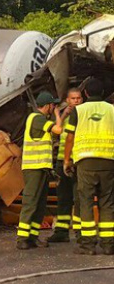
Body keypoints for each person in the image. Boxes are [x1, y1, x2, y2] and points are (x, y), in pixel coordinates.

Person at [64, 78, 114, 255]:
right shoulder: (112, 110)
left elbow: (69, 137)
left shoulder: (78, 110)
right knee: (107, 202)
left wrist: (66, 160)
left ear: (85, 94)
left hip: (85, 162)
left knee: (85, 201)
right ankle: (109, 244)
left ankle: (88, 245)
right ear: (102, 93)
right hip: (108, 161)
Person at [17, 91, 64, 250]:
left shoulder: (40, 119)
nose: (54, 108)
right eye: (53, 105)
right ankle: (22, 238)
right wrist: (58, 114)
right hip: (33, 168)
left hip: (41, 168)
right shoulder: (37, 118)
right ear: (48, 105)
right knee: (30, 202)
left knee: (40, 203)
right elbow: (58, 130)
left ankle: (33, 236)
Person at [48, 88, 83, 243]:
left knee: (79, 198)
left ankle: (81, 232)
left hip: (77, 161)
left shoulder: (83, 114)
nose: (76, 101)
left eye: (78, 98)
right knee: (63, 197)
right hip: (62, 161)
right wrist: (62, 115)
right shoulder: (66, 116)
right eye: (73, 98)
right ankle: (61, 231)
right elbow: (56, 132)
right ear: (67, 100)